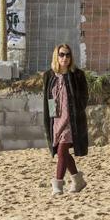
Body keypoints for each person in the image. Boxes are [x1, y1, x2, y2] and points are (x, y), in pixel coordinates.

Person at [42, 43, 88, 195]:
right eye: (62, 54)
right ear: (56, 56)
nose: (65, 58)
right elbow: (47, 99)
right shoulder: (49, 75)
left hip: (71, 120)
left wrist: (77, 108)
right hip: (56, 119)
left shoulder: (77, 75)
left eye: (68, 55)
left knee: (62, 151)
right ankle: (78, 179)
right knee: (64, 153)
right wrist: (51, 117)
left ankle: (58, 184)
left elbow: (84, 97)